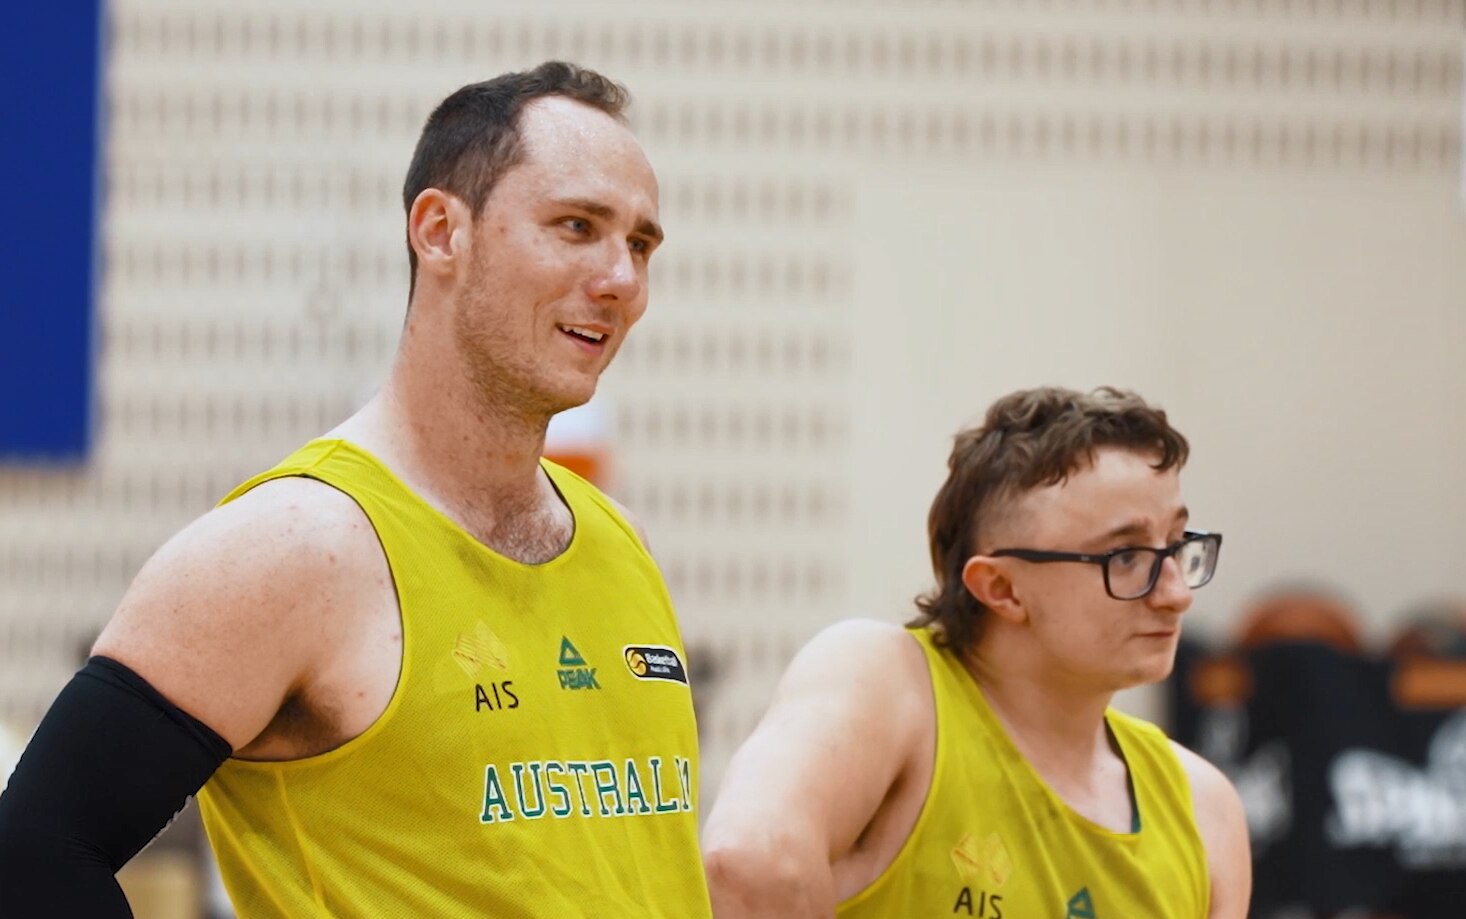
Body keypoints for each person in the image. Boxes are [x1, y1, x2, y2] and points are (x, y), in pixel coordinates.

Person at [0, 62, 713, 918]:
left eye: (639, 244)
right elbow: (34, 857)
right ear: (441, 230)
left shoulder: (617, 540)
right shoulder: (295, 545)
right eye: (576, 226)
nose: (622, 281)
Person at [702, 386, 1252, 918]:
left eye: (1177, 546)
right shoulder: (889, 682)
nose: (1176, 593)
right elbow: (748, 863)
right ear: (1001, 588)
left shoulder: (1204, 807)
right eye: (1127, 556)